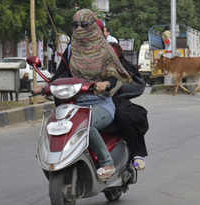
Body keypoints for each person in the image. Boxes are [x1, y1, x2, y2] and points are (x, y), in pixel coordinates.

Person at [35, 9, 132, 179]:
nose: (79, 29)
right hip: (74, 103)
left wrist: (106, 83)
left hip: (100, 102)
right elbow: (61, 74)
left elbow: (114, 76)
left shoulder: (105, 49)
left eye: (84, 24)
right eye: (75, 25)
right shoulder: (71, 50)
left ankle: (107, 162)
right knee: (54, 126)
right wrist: (45, 87)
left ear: (93, 26)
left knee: (87, 125)